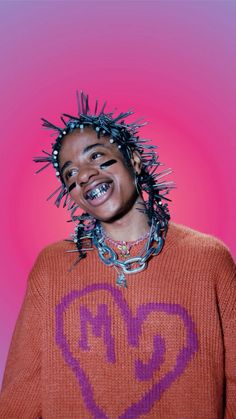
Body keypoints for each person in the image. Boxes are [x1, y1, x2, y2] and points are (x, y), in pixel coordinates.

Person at [0, 92, 235, 419]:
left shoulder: (208, 259)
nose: (82, 175)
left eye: (96, 156)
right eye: (69, 175)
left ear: (134, 161)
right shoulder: (52, 267)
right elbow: (23, 388)